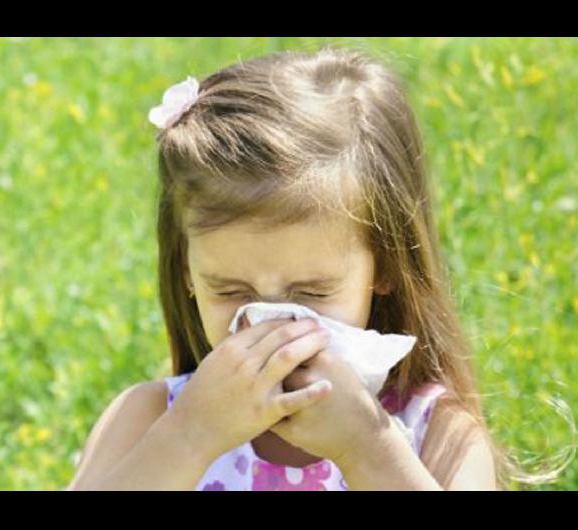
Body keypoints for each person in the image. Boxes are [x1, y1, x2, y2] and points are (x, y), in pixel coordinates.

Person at [67, 46, 546, 490]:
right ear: (188, 272)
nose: (270, 324)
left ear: (384, 268)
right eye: (230, 290)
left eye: (313, 292)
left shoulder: (431, 431)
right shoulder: (149, 418)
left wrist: (364, 446)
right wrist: (191, 435)